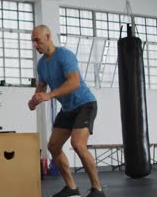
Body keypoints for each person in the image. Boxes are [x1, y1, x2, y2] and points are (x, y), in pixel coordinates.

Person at [28, 25, 105, 197]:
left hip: (85, 104)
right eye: (33, 41)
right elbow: (41, 86)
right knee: (53, 146)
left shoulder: (64, 55)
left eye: (37, 40)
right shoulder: (41, 64)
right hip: (68, 108)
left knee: (77, 144)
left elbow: (74, 82)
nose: (35, 44)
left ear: (48, 37)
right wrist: (34, 100)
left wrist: (50, 95)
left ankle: (97, 189)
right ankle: (71, 187)